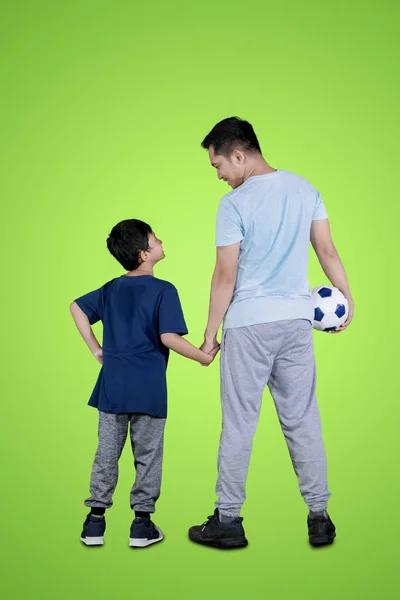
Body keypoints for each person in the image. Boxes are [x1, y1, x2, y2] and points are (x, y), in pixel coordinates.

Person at [188, 117, 354, 549]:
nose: (220, 175)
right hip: (297, 324)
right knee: (302, 418)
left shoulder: (235, 204)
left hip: (249, 325)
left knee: (240, 422)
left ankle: (228, 521)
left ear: (239, 154)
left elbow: (225, 275)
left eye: (219, 165)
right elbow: (328, 251)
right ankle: (320, 517)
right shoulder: (306, 189)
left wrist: (209, 336)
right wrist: (346, 300)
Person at [70, 219, 218, 547]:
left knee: (107, 452)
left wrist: (97, 349)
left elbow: (76, 308)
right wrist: (203, 356)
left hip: (112, 388)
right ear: (143, 253)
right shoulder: (164, 290)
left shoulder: (110, 289)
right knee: (148, 453)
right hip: (149, 389)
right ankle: (141, 524)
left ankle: (95, 522)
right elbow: (169, 337)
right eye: (155, 237)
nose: (161, 239)